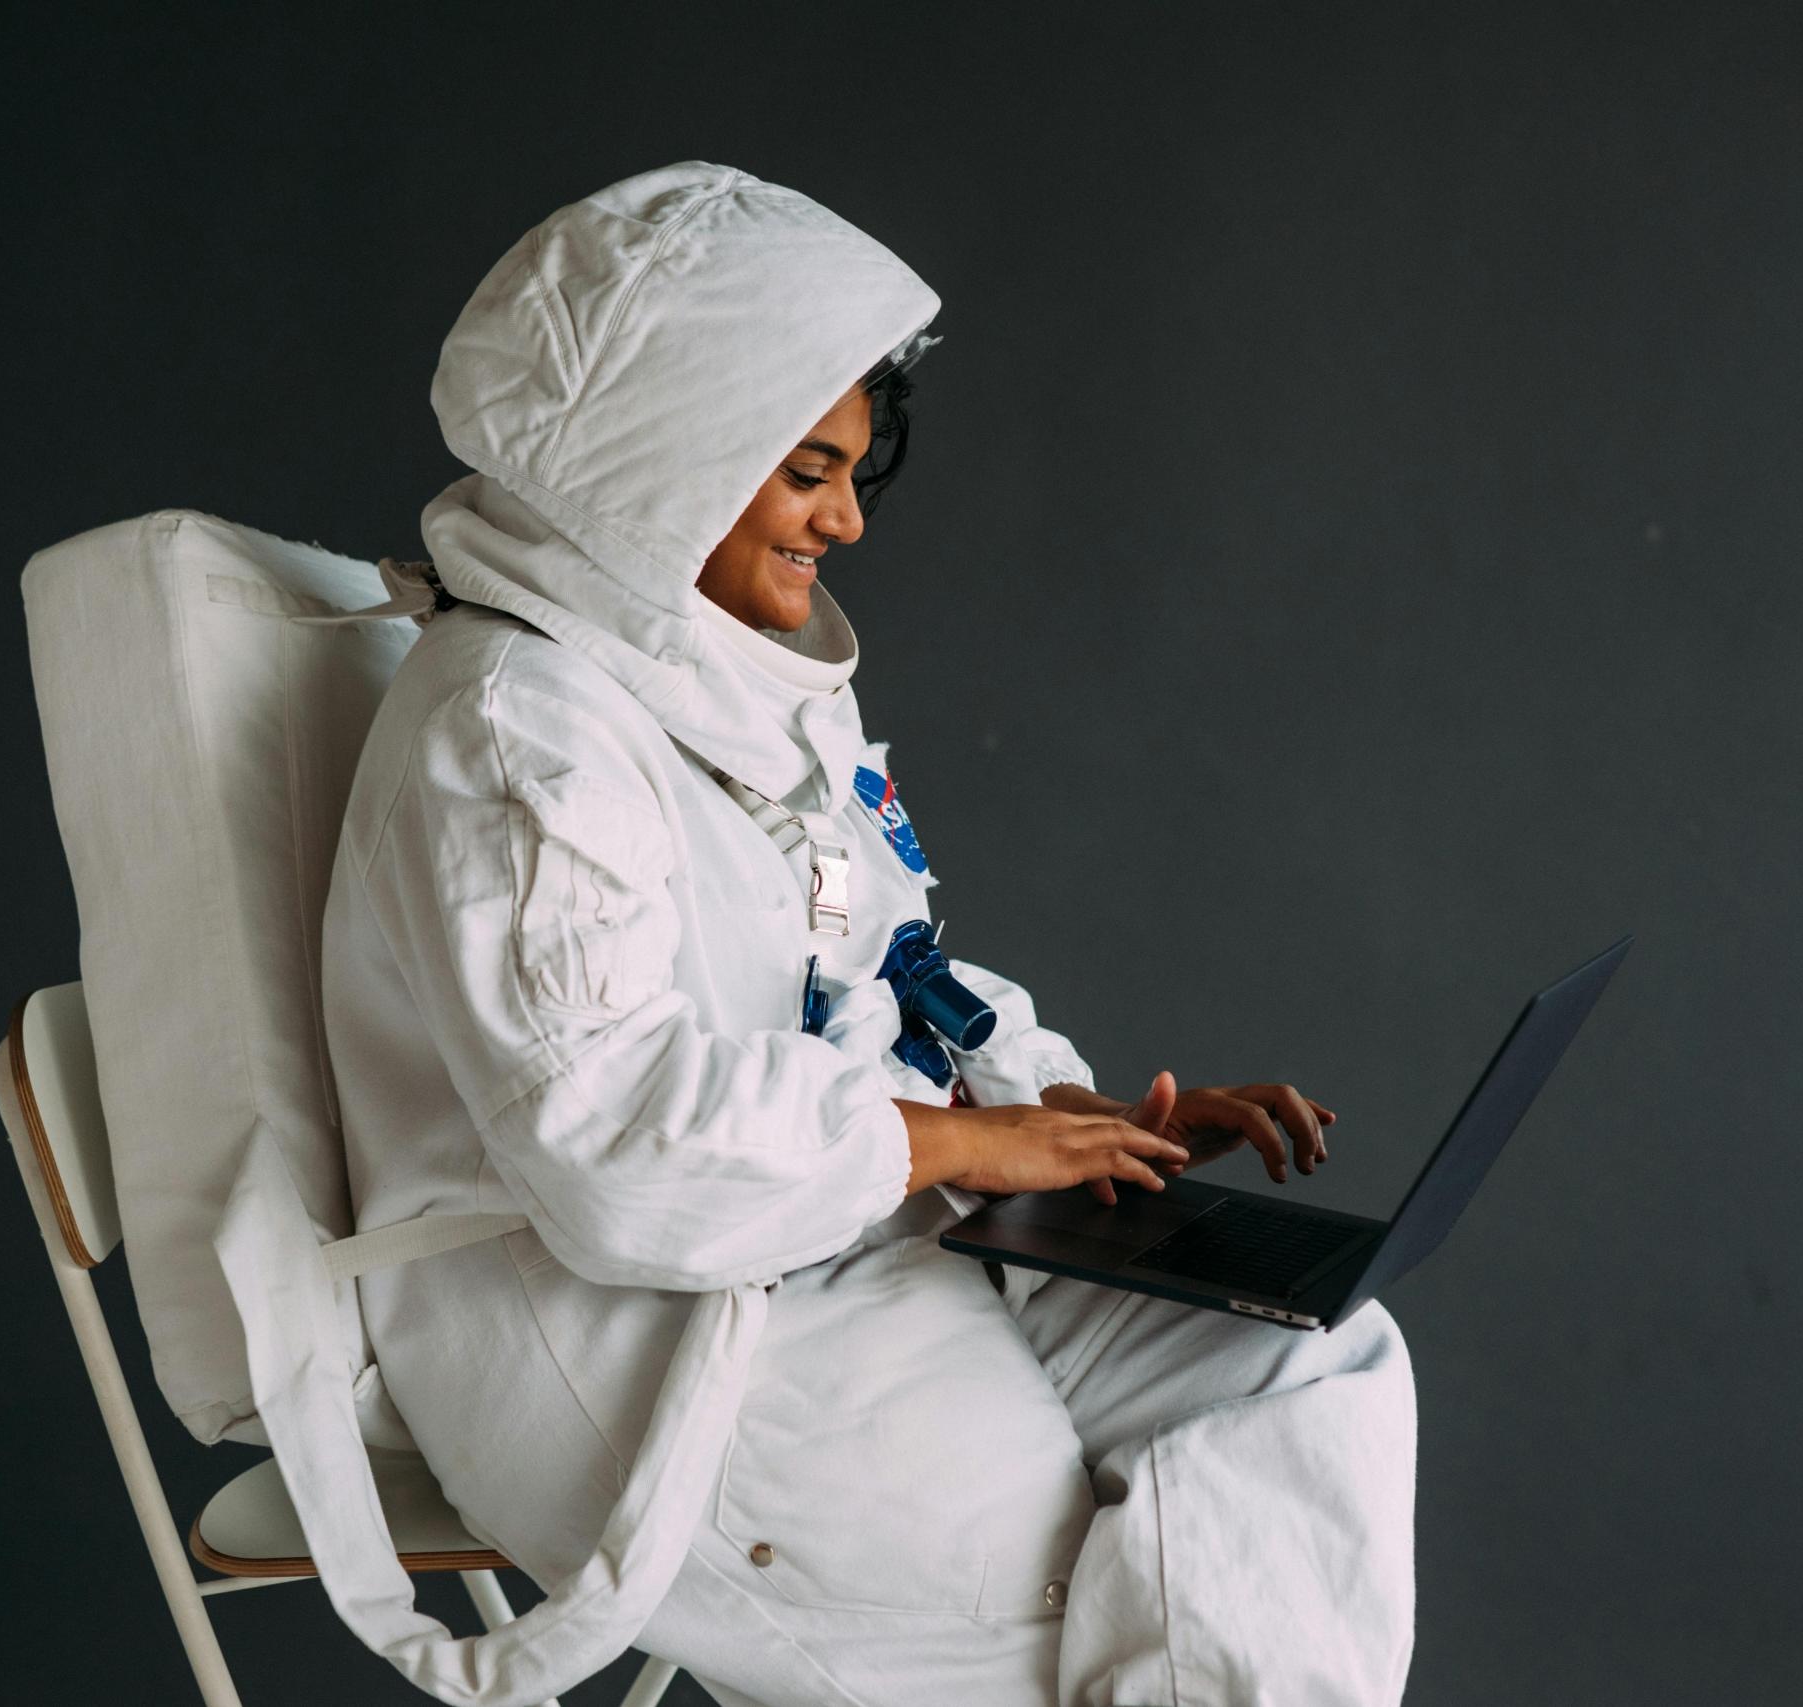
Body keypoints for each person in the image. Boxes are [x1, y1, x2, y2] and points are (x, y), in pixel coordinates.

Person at [308, 162, 1419, 1707]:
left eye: (848, 473)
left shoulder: (735, 697)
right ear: (663, 462)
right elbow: (609, 1149)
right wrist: (955, 1148)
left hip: (866, 1227)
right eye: (807, 473)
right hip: (640, 1324)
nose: (842, 519)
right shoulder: (520, 735)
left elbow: (876, 957)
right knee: (1087, 1596)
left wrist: (1061, 1116)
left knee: (1307, 1372)